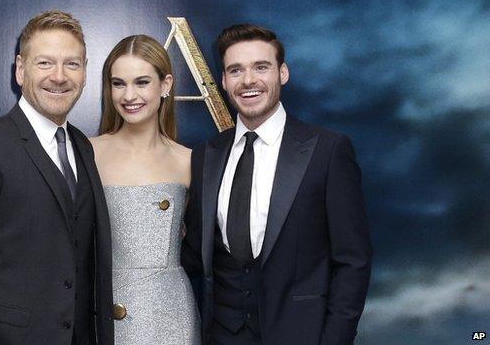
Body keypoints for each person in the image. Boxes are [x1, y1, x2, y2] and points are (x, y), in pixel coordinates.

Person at [182, 24, 373, 345]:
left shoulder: (327, 150)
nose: (248, 80)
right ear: (224, 82)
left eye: (261, 67)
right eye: (235, 70)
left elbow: (353, 260)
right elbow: (195, 254)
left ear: (282, 73)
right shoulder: (206, 155)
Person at [0, 10, 113, 345]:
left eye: (72, 64)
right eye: (45, 63)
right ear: (20, 69)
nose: (60, 76)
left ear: (84, 72)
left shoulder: (81, 144)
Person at [90, 34, 200, 345]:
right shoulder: (87, 153)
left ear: (165, 85)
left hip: (171, 314)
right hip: (103, 313)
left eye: (141, 82)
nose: (129, 95)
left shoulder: (189, 161)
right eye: (118, 83)